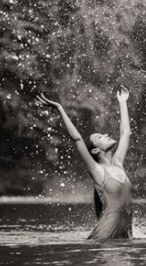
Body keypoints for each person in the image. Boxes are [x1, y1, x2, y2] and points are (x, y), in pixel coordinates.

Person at [36, 88, 133, 239]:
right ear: (95, 151)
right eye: (100, 137)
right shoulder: (97, 171)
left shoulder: (118, 163)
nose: (106, 134)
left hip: (123, 240)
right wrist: (60, 109)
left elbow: (125, 133)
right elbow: (77, 139)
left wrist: (122, 103)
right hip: (103, 240)